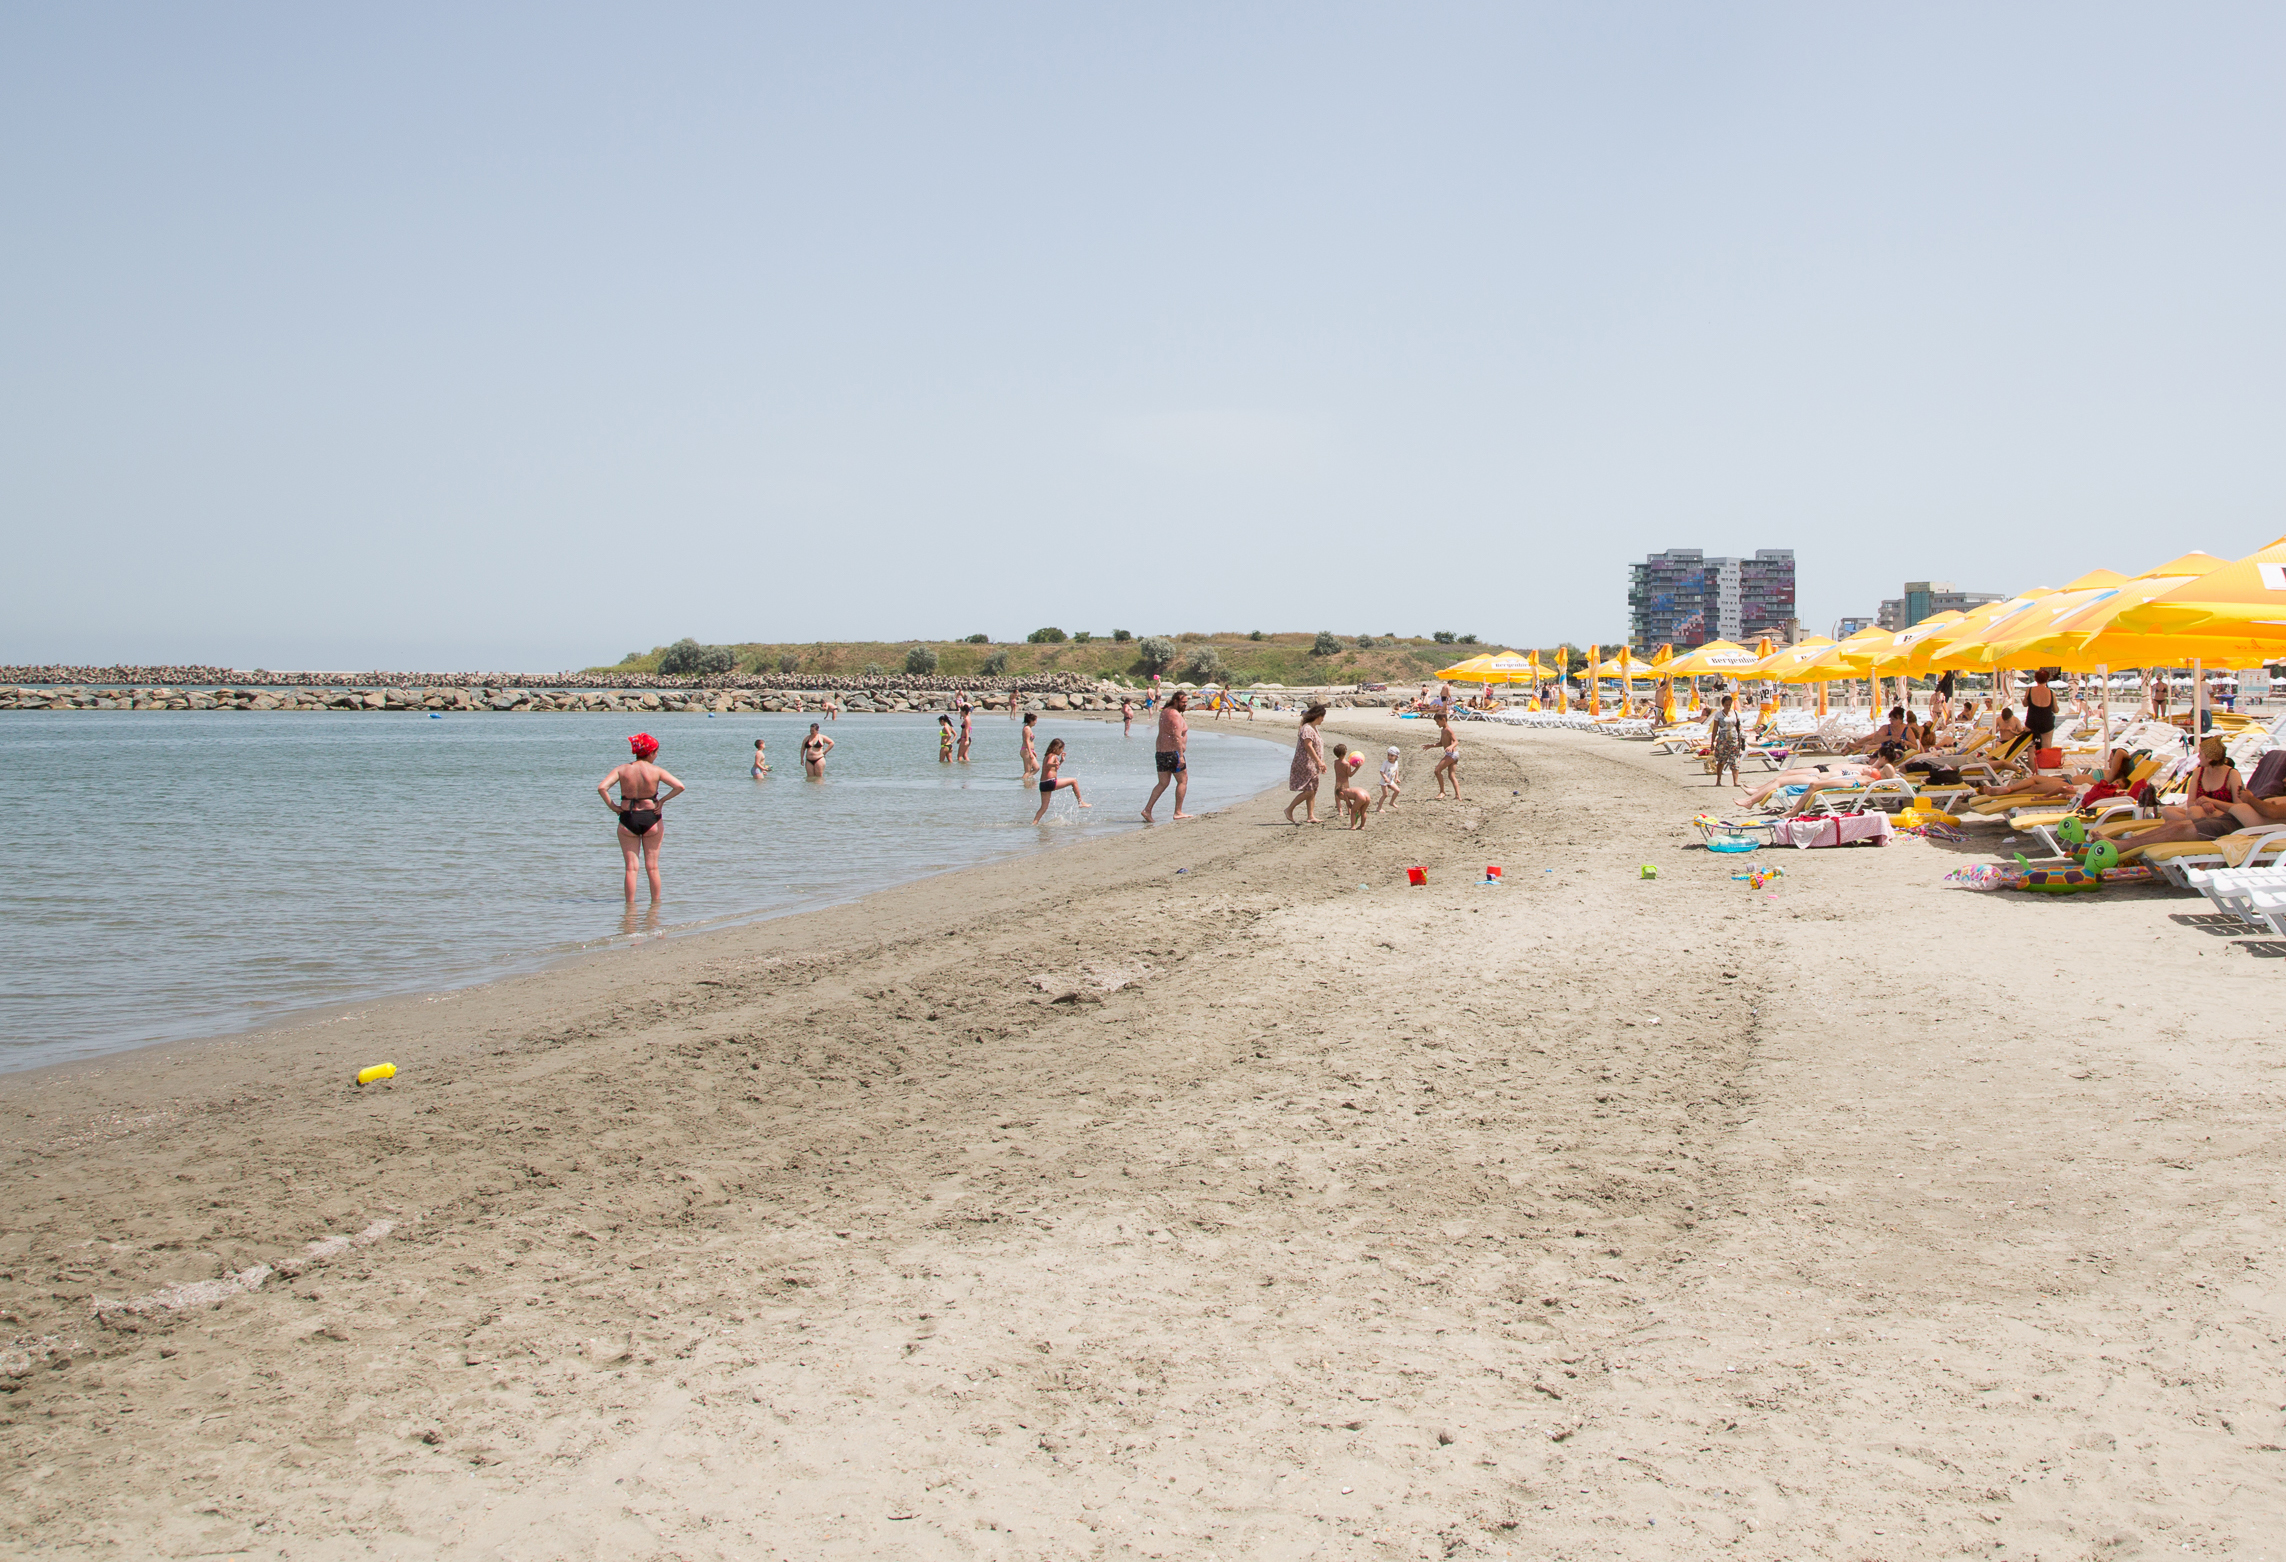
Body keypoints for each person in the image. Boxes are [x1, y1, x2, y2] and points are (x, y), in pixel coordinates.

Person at [598, 733, 685, 903]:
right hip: (651, 818)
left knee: (631, 868)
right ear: (651, 752)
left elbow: (602, 788)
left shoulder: (622, 769)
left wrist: (613, 807)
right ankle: (655, 906)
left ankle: (629, 907)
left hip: (627, 818)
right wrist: (662, 801)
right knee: (652, 867)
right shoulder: (656, 771)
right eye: (656, 752)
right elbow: (679, 786)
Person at [1143, 691, 1191, 821]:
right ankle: (1178, 811)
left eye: (1186, 702)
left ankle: (1147, 810)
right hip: (1173, 753)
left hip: (1161, 753)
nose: (1185, 705)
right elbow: (1176, 735)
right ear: (1175, 701)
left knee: (1163, 783)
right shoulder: (1174, 714)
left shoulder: (1165, 712)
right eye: (1183, 702)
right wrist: (1180, 756)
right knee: (1182, 780)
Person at [1283, 703, 1327, 823]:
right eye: (1322, 717)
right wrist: (1318, 761)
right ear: (1317, 716)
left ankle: (1310, 816)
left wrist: (1321, 762)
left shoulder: (1313, 728)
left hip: (1313, 763)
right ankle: (1289, 809)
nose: (1323, 719)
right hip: (1306, 763)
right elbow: (1308, 746)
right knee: (1309, 790)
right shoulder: (1307, 728)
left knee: (1313, 788)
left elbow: (1317, 747)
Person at [1031, 737, 1088, 821]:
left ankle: (1034, 823)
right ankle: (1081, 802)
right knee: (1073, 781)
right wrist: (1054, 764)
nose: (1062, 751)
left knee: (1043, 808)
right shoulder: (1052, 756)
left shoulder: (1047, 756)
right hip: (1050, 782)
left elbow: (1053, 768)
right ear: (1056, 748)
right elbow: (1049, 764)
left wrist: (1061, 761)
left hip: (1043, 784)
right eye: (1061, 749)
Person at [1707, 694, 1745, 789]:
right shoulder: (1718, 715)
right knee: (1721, 761)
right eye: (1726, 704)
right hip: (1722, 741)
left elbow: (1739, 727)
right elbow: (1715, 729)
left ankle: (1735, 781)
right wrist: (1712, 742)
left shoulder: (1735, 714)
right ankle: (1718, 780)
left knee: (1735, 760)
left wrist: (1741, 740)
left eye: (1729, 704)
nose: (1728, 706)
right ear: (1723, 704)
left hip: (1734, 740)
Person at [1425, 709, 1462, 799]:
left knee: (1437, 771)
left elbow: (1456, 741)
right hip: (1454, 754)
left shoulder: (1448, 730)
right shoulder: (1443, 730)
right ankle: (1458, 795)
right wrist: (1431, 745)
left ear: (1443, 720)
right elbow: (1441, 743)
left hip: (1452, 754)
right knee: (1451, 776)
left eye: (1438, 722)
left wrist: (1451, 746)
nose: (1437, 724)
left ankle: (1442, 792)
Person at [1333, 745, 1371, 828]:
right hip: (1345, 782)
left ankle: (1340, 812)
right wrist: (1357, 768)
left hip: (1338, 782)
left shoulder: (1336, 762)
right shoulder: (1347, 764)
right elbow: (1350, 775)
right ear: (1345, 752)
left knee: (1337, 798)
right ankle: (1350, 812)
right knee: (1348, 796)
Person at [2023, 668, 2059, 753]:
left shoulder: (2030, 690)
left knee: (2030, 747)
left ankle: (2031, 765)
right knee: (2046, 747)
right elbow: (2056, 710)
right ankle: (2044, 765)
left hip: (2032, 721)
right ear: (2047, 679)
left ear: (2035, 679)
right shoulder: (2051, 693)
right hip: (2046, 722)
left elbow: (2025, 704)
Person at [1377, 744, 1402, 811]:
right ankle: (1379, 808)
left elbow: (1396, 770)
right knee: (1385, 795)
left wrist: (1396, 778)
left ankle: (1391, 802)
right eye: (1388, 755)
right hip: (1384, 782)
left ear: (1396, 756)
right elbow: (1381, 771)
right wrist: (1385, 777)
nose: (1389, 757)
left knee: (1397, 790)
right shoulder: (1386, 763)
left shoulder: (1396, 763)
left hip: (1391, 781)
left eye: (1392, 755)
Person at [1020, 711, 1039, 780]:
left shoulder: (1029, 728)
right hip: (1026, 750)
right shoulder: (1027, 729)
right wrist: (1030, 752)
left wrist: (1033, 751)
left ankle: (1027, 781)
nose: (1036, 722)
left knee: (1036, 768)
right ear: (1031, 720)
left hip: (1029, 750)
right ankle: (1024, 781)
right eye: (1035, 720)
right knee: (1027, 771)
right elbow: (1027, 741)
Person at [956, 694, 973, 764]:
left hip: (965, 738)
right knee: (965, 755)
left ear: (964, 712)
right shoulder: (967, 718)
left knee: (959, 756)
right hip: (964, 738)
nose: (960, 712)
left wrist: (966, 740)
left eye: (961, 711)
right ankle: (966, 769)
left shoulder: (967, 719)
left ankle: (960, 770)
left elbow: (966, 730)